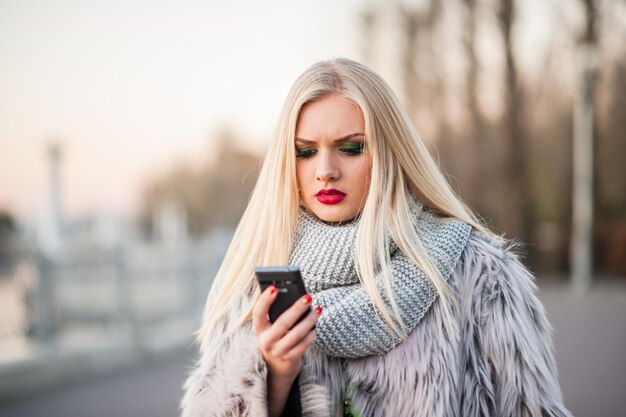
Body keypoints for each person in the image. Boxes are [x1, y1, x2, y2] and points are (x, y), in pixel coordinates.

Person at [180, 58, 572, 417]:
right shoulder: (249, 288)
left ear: (390, 152)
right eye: (305, 152)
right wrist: (275, 377)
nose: (326, 170)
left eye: (350, 148)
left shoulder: (481, 277)